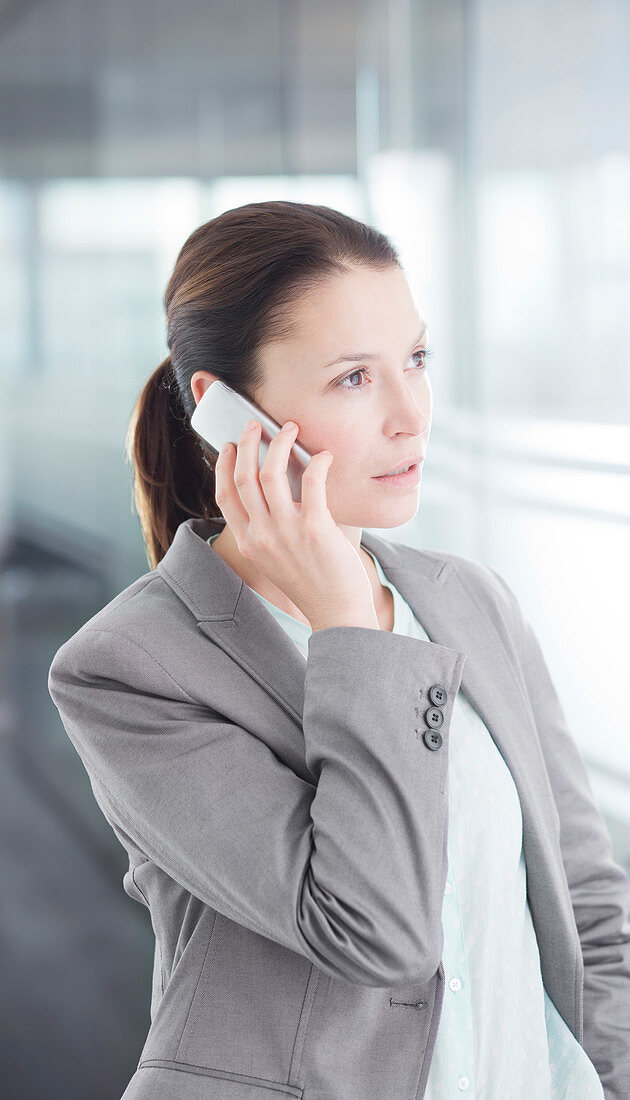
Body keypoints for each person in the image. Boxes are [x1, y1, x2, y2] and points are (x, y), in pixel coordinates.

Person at [47, 200, 630, 1100]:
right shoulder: (130, 669)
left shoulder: (469, 600)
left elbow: (586, 904)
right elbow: (372, 933)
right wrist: (349, 627)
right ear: (225, 411)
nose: (411, 415)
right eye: (354, 379)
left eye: (416, 360)